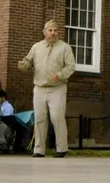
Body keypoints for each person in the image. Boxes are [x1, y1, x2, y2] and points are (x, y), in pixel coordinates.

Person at [18, 20, 76, 157]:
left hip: (58, 88)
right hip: (39, 87)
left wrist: (60, 75)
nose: (53, 33)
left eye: (55, 30)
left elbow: (71, 66)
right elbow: (28, 61)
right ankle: (39, 150)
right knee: (39, 118)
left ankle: (61, 148)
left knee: (57, 117)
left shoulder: (65, 48)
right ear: (44, 32)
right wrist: (23, 65)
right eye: (50, 30)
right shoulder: (36, 47)